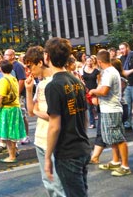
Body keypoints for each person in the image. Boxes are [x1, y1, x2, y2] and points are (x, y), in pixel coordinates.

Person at [44, 38, 90, 197]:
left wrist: (47, 156)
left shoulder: (53, 86)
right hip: (82, 146)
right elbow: (84, 116)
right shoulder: (77, 81)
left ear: (47, 57)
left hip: (67, 151)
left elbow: (54, 126)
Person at [24, 46, 65, 197]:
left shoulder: (53, 83)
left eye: (30, 66)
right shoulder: (41, 84)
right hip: (40, 139)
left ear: (40, 62)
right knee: (49, 182)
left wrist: (36, 111)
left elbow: (52, 115)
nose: (29, 70)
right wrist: (28, 90)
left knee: (58, 184)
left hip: (52, 139)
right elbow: (30, 111)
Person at [0, 60, 26, 163]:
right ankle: (13, 153)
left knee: (7, 134)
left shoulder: (3, 80)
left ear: (1, 69)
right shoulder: (13, 79)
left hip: (6, 110)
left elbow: (0, 97)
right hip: (15, 108)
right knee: (12, 133)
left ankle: (11, 156)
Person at [82, 56, 101, 129]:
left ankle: (100, 122)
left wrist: (98, 90)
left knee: (97, 106)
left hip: (95, 89)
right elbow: (81, 79)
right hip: (87, 90)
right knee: (90, 108)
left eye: (90, 61)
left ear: (93, 61)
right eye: (88, 61)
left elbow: (99, 81)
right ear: (86, 62)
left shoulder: (96, 70)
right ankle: (92, 123)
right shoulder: (83, 70)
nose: (89, 62)